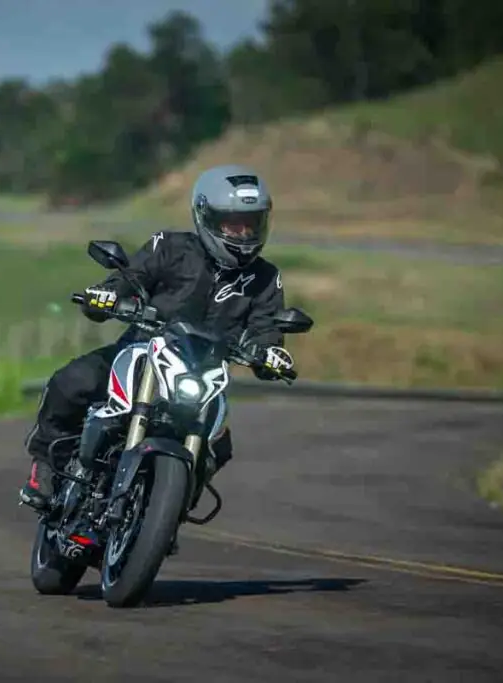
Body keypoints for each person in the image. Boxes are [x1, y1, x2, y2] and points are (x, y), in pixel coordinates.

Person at [19, 164, 296, 511]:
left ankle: (166, 512)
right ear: (206, 217)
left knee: (220, 445)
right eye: (233, 223)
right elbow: (131, 278)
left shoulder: (266, 278)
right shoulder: (170, 247)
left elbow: (266, 327)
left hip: (203, 374)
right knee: (72, 381)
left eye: (251, 223)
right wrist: (107, 295)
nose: (243, 233)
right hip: (141, 351)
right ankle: (43, 466)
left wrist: (271, 353)